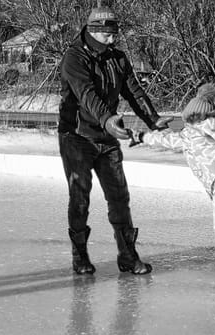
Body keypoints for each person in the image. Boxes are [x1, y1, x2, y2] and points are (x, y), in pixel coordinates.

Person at [58, 2, 171, 275]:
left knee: (120, 197)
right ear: (95, 30)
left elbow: (133, 91)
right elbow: (87, 95)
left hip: (106, 139)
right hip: (77, 137)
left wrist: (152, 120)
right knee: (80, 197)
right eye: (109, 34)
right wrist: (108, 119)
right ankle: (80, 256)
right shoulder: (74, 58)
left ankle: (128, 256)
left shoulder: (117, 58)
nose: (114, 38)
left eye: (115, 33)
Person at [130, 83, 215, 296]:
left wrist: (141, 136)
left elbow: (167, 140)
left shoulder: (191, 133)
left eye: (188, 119)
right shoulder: (213, 127)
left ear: (193, 117)